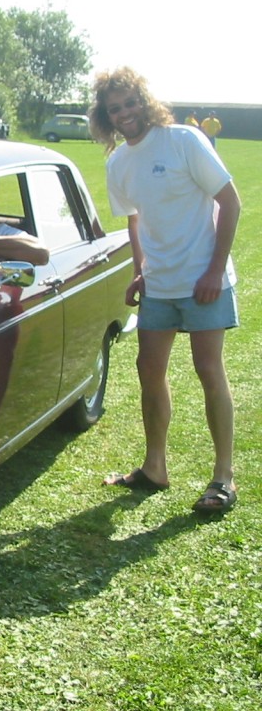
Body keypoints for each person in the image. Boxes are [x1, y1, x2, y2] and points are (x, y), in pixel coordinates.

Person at [88, 67, 241, 515]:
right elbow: (134, 221)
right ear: (106, 116)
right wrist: (140, 272)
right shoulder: (118, 162)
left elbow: (230, 201)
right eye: (115, 109)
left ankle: (224, 478)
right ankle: (155, 468)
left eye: (130, 103)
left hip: (203, 281)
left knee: (208, 368)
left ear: (144, 100)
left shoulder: (184, 141)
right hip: (160, 284)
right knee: (148, 368)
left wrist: (214, 270)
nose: (125, 114)